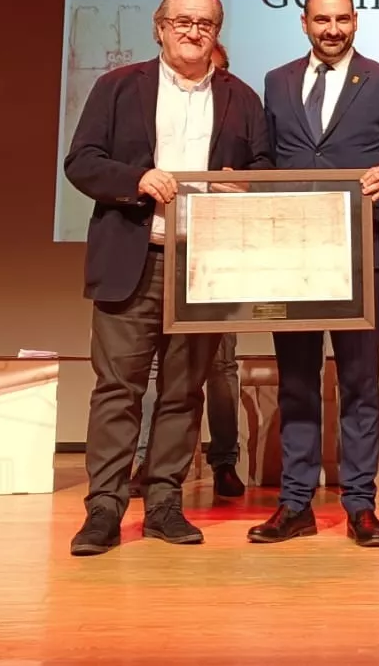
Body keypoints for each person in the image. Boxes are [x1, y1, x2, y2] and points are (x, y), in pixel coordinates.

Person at [63, 0, 270, 555]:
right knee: (117, 391)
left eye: (205, 24)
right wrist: (136, 180)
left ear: (217, 33)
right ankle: (103, 510)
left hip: (204, 266)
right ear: (159, 28)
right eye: (182, 21)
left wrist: (241, 185)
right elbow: (81, 162)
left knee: (183, 393)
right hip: (134, 259)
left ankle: (163, 505)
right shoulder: (118, 86)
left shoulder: (242, 99)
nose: (193, 31)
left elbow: (265, 168)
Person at [249, 0, 379, 548]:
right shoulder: (276, 82)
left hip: (360, 259)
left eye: (343, 19)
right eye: (321, 19)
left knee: (359, 384)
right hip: (290, 260)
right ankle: (296, 504)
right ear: (304, 23)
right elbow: (264, 158)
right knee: (298, 384)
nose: (332, 29)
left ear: (357, 22)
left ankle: (360, 505)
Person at [130, 41, 246, 501]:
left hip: (215, 260)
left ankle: (224, 462)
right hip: (155, 250)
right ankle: (147, 462)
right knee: (154, 369)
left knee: (220, 369)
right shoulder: (154, 103)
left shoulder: (238, 112)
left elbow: (260, 176)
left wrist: (240, 183)